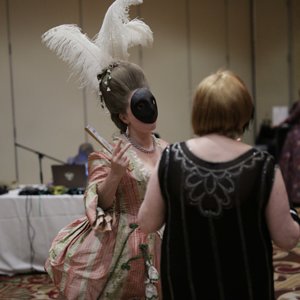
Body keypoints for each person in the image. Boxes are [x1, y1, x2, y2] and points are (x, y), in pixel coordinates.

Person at [42, 0, 168, 299]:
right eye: (140, 106)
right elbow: (100, 205)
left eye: (150, 101)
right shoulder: (109, 155)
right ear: (124, 116)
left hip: (168, 242)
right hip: (129, 247)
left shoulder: (167, 148)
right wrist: (114, 174)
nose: (149, 109)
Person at [138, 70, 300, 300]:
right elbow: (287, 238)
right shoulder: (261, 164)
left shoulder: (170, 158)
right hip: (245, 285)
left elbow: (147, 222)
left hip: (187, 286)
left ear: (198, 111)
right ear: (243, 111)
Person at [279, 89, 300, 206]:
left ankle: (294, 196)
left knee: (291, 166)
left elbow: (291, 118)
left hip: (297, 138)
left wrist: (278, 124)